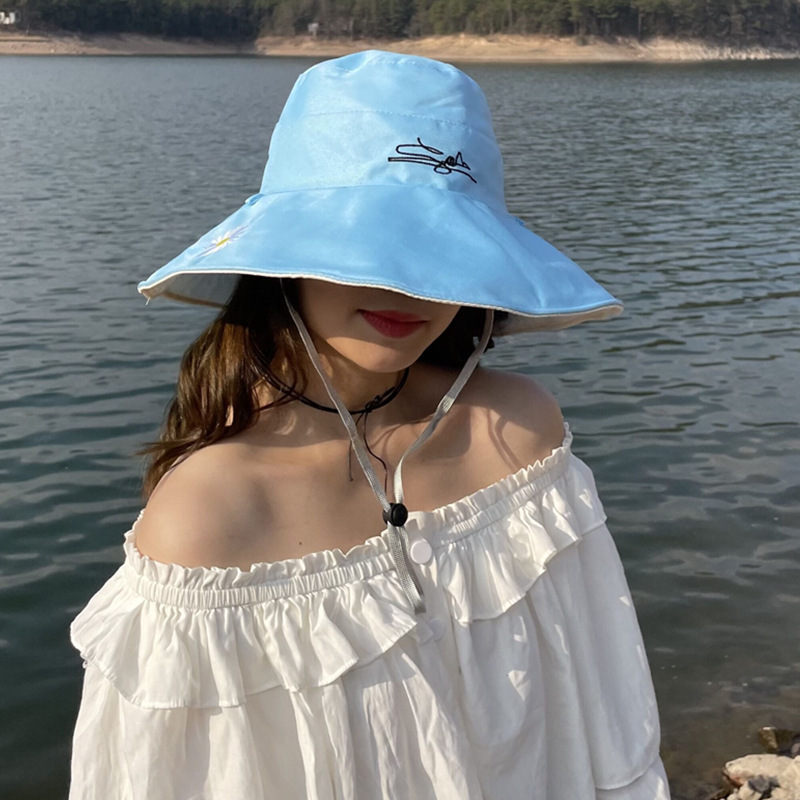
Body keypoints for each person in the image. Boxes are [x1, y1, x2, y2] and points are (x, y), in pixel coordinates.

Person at [68, 50, 671, 799]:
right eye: (364, 245)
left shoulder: (520, 434)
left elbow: (604, 721)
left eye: (444, 245)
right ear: (285, 261)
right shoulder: (208, 517)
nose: (408, 285)